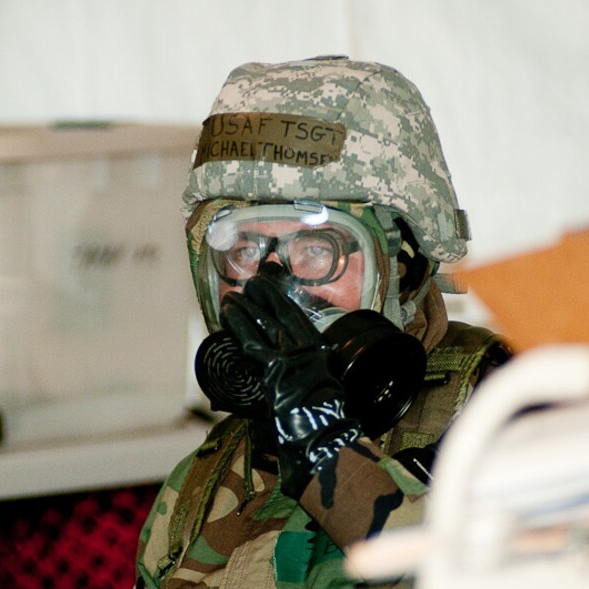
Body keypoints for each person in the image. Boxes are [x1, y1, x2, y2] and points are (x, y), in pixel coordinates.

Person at [135, 56, 510, 588]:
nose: (269, 287)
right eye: (242, 251)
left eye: (316, 249)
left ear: (404, 268)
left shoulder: (505, 413)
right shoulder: (203, 480)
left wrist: (325, 448)